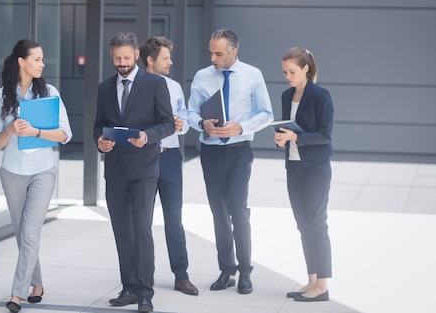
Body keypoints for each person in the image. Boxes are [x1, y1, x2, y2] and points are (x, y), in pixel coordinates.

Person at [93, 32, 175, 313]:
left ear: (137, 55)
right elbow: (98, 124)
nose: (122, 63)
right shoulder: (105, 88)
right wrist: (100, 142)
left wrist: (147, 136)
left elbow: (167, 124)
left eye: (127, 58)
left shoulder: (155, 84)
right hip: (115, 170)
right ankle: (128, 287)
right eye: (117, 58)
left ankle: (145, 292)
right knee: (122, 231)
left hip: (143, 170)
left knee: (141, 230)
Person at [188, 28, 273, 295]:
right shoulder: (202, 76)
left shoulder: (253, 74)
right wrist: (202, 123)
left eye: (219, 53)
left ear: (234, 52)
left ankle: (245, 270)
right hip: (211, 151)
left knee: (238, 208)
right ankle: (227, 269)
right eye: (211, 52)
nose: (213, 57)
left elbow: (266, 113)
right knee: (219, 212)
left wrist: (242, 127)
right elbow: (191, 112)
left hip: (239, 150)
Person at [0, 39, 72, 313]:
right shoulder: (0, 97)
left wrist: (36, 132)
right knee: (22, 232)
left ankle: (17, 294)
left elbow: (64, 135)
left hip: (43, 170)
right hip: (12, 171)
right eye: (36, 59)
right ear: (21, 62)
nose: (42, 64)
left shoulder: (49, 92)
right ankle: (36, 284)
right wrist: (12, 129)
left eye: (42, 59)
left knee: (31, 231)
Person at [139, 36, 198, 296]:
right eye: (166, 58)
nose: (170, 62)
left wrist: (180, 124)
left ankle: (181, 276)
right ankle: (142, 278)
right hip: (144, 158)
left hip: (171, 157)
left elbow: (184, 118)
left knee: (174, 219)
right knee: (142, 221)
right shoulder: (136, 87)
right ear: (151, 60)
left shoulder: (174, 87)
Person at [274, 47, 333, 302]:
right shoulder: (286, 96)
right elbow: (288, 128)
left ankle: (322, 286)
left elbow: (325, 135)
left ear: (306, 69)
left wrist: (296, 136)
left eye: (292, 71)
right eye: (285, 72)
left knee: (317, 226)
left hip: (316, 169)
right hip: (294, 167)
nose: (288, 76)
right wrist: (282, 139)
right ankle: (311, 281)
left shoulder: (321, 96)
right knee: (303, 226)